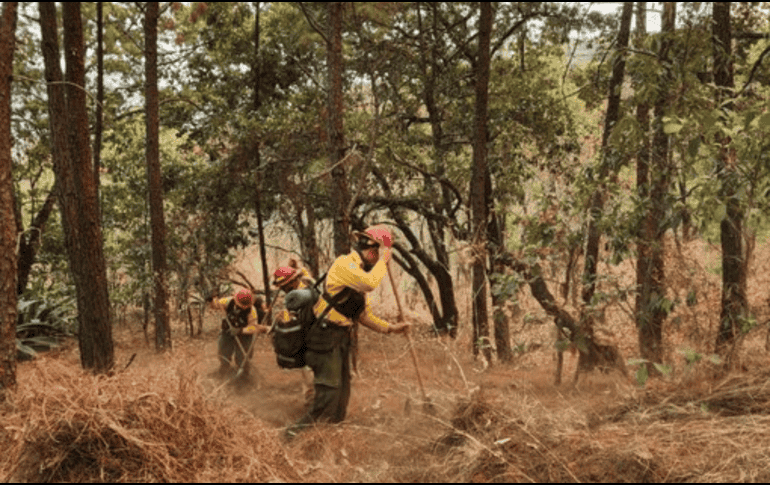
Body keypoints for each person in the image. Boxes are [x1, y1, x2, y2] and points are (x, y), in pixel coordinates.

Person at [285, 225, 410, 440]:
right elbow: (370, 284)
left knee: (342, 395)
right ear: (370, 249)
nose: (378, 257)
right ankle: (291, 437)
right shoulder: (345, 265)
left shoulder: (359, 274)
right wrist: (385, 259)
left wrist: (391, 329)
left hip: (340, 340)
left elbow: (363, 316)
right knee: (328, 395)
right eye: (377, 253)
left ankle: (329, 440)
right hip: (324, 338)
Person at [208, 288, 267, 380]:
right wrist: (211, 300)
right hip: (228, 331)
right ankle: (224, 369)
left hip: (244, 335)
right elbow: (216, 305)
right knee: (223, 350)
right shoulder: (228, 301)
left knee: (243, 356)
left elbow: (254, 327)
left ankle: (244, 374)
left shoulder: (252, 311)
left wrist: (240, 330)